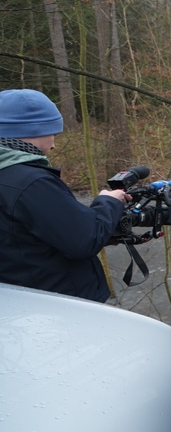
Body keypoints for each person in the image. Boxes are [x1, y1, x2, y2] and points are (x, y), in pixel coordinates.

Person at [0, 88, 130, 303]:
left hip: (17, 304)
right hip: (57, 307)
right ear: (30, 131)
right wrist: (109, 201)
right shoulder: (30, 183)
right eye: (51, 134)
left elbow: (18, 239)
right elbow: (84, 240)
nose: (53, 145)